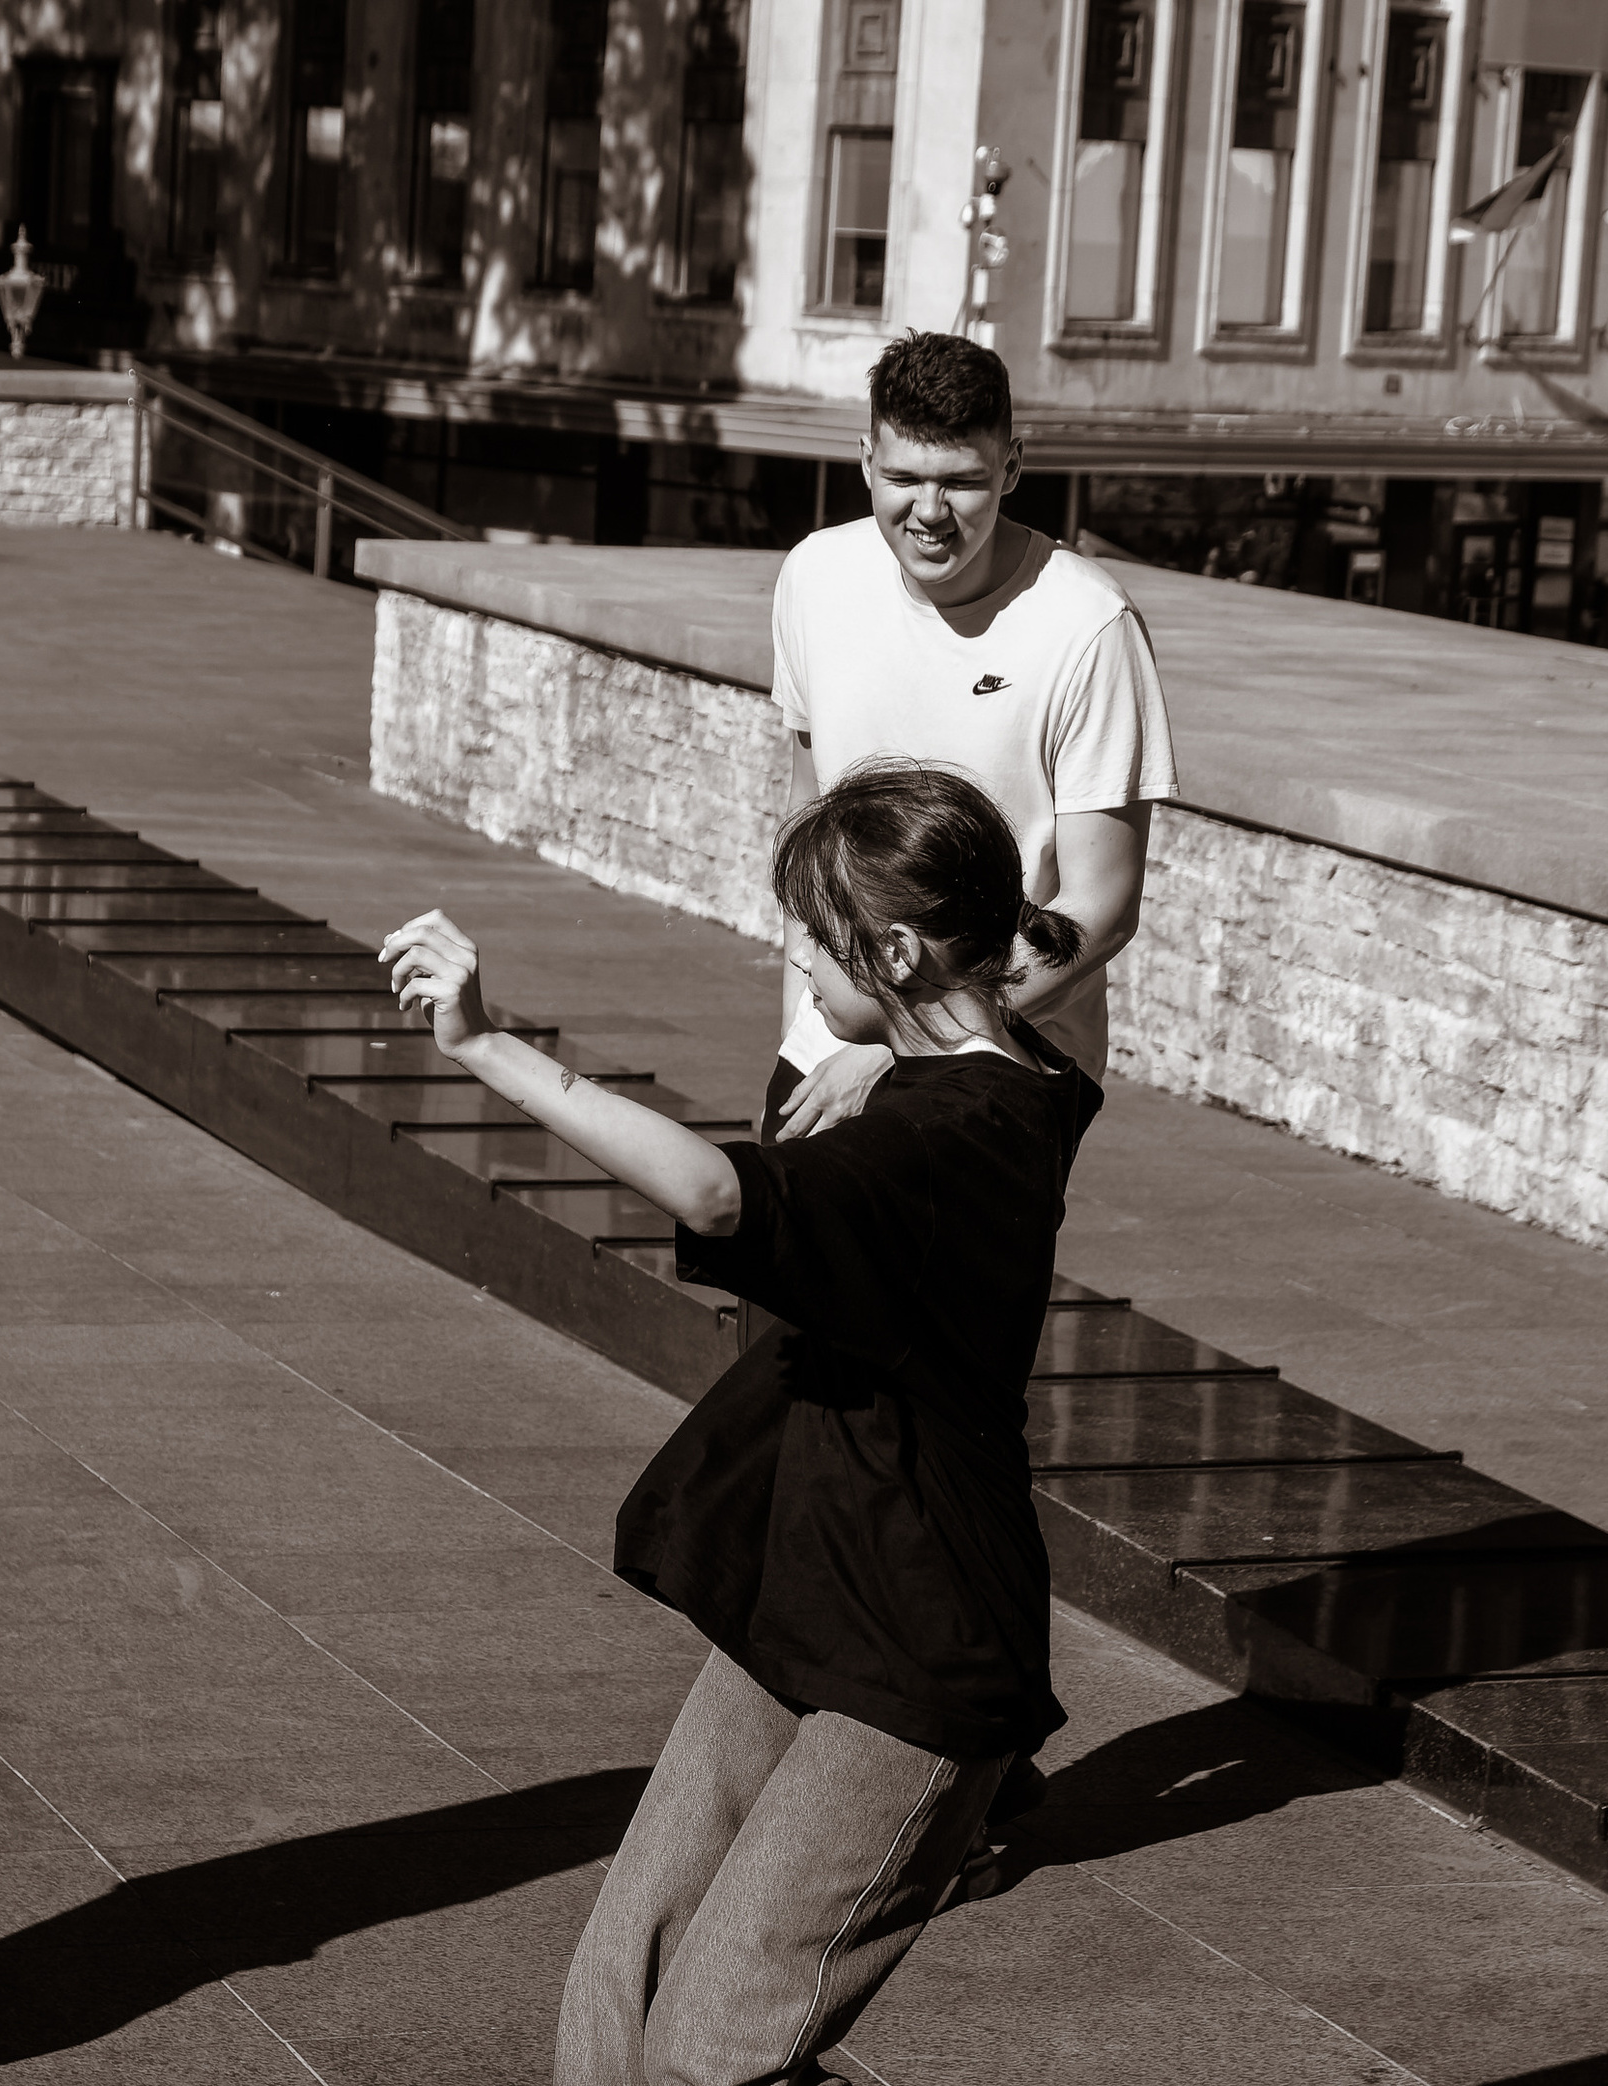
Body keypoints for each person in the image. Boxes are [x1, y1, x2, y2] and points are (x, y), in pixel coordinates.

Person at [380, 759, 1100, 2086]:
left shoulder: (954, 1139)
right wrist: (887, 1052)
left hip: (924, 1653)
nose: (791, 959)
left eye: (810, 938)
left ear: (893, 947)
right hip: (809, 1594)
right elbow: (1004, 998)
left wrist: (487, 1043)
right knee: (624, 1973)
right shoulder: (993, 1075)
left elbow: (717, 1196)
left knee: (713, 2046)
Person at [770, 330, 1177, 1141]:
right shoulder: (815, 578)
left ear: (1013, 470)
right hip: (837, 1033)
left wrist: (912, 1042)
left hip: (1011, 1046)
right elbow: (808, 818)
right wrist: (798, 1022)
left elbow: (1102, 905)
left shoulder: (1088, 626)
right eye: (904, 478)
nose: (929, 512)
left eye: (962, 483)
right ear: (863, 460)